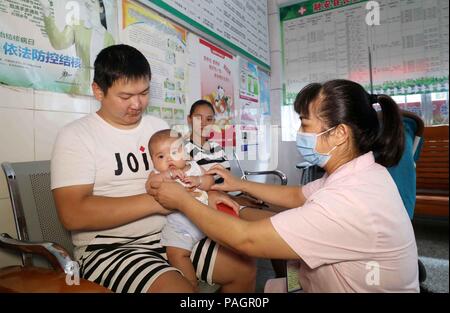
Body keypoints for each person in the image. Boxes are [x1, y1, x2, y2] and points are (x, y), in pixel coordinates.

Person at [148, 79, 420, 292]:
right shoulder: (358, 174)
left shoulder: (349, 201)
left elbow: (247, 239)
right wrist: (236, 186)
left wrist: (183, 200)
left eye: (305, 124)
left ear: (338, 134)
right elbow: (296, 195)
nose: (299, 133)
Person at [51, 44, 256, 293]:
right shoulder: (77, 135)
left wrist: (207, 192)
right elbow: (73, 213)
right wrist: (167, 201)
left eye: (144, 93)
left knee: (243, 269)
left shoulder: (157, 126)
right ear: (98, 91)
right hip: (110, 248)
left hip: (170, 231)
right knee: (179, 291)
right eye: (126, 97)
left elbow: (186, 169)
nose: (137, 104)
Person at [148, 129, 225, 291]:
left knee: (226, 237)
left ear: (185, 153)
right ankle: (190, 284)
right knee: (175, 253)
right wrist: (168, 175)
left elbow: (210, 181)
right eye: (161, 156)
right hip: (181, 227)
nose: (169, 159)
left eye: (175, 152)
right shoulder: (158, 174)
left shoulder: (194, 167)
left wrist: (199, 180)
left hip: (205, 218)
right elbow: (150, 185)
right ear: (153, 161)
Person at [39, 0, 115, 95]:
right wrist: (46, 11)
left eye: (92, 1)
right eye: (87, 2)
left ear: (101, 9)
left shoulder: (109, 38)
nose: (88, 3)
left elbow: (111, 70)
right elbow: (58, 43)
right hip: (80, 89)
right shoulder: (77, 25)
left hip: (102, 92)